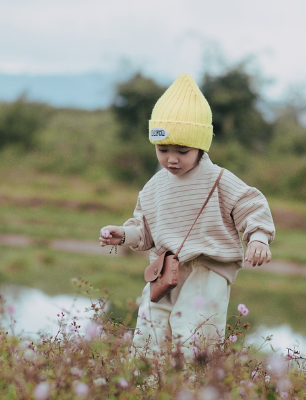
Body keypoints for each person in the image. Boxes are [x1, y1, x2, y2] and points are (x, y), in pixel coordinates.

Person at [99, 73, 275, 361]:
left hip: (207, 270)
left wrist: (258, 238)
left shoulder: (219, 180)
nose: (171, 159)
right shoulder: (155, 185)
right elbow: (144, 228)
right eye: (163, 149)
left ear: (201, 146)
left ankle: (193, 390)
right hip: (165, 272)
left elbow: (251, 205)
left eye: (182, 151)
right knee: (150, 333)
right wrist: (123, 234)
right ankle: (147, 387)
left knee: (194, 334)